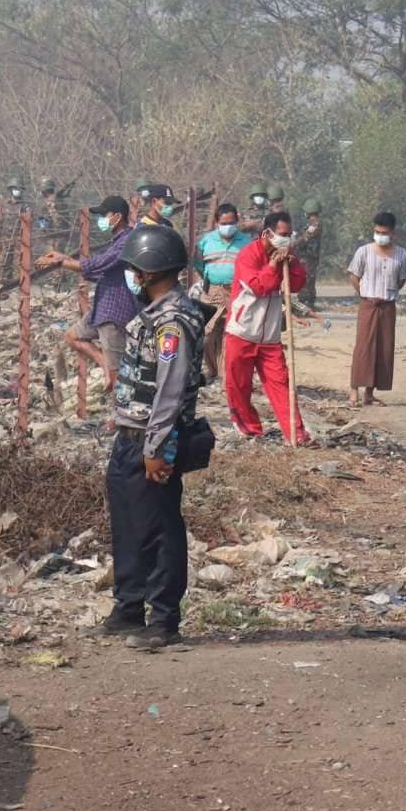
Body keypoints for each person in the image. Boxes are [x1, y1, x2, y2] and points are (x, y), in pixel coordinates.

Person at [100, 222, 210, 651]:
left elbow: (170, 390)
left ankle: (163, 620)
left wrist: (157, 447)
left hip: (154, 439)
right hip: (129, 436)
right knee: (128, 524)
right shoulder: (153, 313)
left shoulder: (173, 322)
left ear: (148, 271)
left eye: (134, 269)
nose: (131, 276)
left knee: (160, 529)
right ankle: (128, 607)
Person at [227, 211, 313, 443]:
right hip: (242, 331)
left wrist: (292, 264)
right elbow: (259, 287)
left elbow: (296, 284)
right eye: (282, 234)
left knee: (281, 384)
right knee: (239, 385)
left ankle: (296, 434)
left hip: (270, 335)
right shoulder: (248, 255)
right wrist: (273, 265)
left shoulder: (288, 254)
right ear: (267, 233)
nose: (287, 239)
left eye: (289, 234)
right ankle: (249, 430)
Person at [44, 197, 139, 398]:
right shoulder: (117, 241)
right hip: (102, 309)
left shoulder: (127, 242)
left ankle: (122, 413)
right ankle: (104, 364)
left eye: (105, 215)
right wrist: (65, 259)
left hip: (115, 311)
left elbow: (98, 264)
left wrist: (62, 262)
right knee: (73, 336)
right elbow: (101, 271)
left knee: (117, 377)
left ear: (117, 217)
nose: (101, 219)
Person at [347, 212, 406, 408]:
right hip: (369, 304)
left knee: (383, 348)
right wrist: (365, 295)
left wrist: (387, 293)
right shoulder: (364, 251)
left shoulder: (401, 254)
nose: (380, 236)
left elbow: (401, 280)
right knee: (363, 347)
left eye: (384, 233)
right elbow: (354, 276)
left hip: (387, 306)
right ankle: (354, 390)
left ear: (393, 233)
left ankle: (369, 393)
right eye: (377, 232)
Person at [191, 204, 252, 382]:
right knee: (208, 332)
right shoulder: (206, 241)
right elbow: (198, 264)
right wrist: (209, 277)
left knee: (232, 333)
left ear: (237, 221)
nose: (228, 226)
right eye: (224, 223)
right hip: (213, 291)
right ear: (217, 223)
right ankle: (212, 369)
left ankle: (226, 374)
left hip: (237, 292)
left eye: (231, 223)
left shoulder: (246, 242)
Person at [297, 200, 323, 307]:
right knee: (309, 279)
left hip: (308, 257)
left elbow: (305, 238)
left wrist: (293, 243)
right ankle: (309, 302)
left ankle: (306, 303)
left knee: (306, 279)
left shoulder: (315, 225)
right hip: (309, 256)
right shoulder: (313, 224)